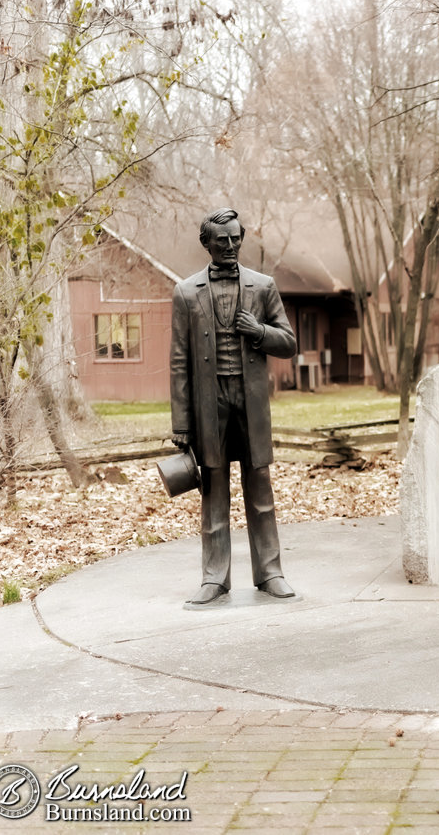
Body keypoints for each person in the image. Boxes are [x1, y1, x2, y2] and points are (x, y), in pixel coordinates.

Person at [170, 208, 298, 605]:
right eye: (221, 240)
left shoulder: (263, 287)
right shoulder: (186, 292)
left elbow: (289, 343)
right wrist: (181, 424)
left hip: (250, 401)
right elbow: (179, 361)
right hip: (210, 403)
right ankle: (214, 577)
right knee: (213, 490)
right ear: (206, 243)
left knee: (260, 488)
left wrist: (259, 331)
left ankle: (270, 571)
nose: (230, 246)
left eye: (235, 239)